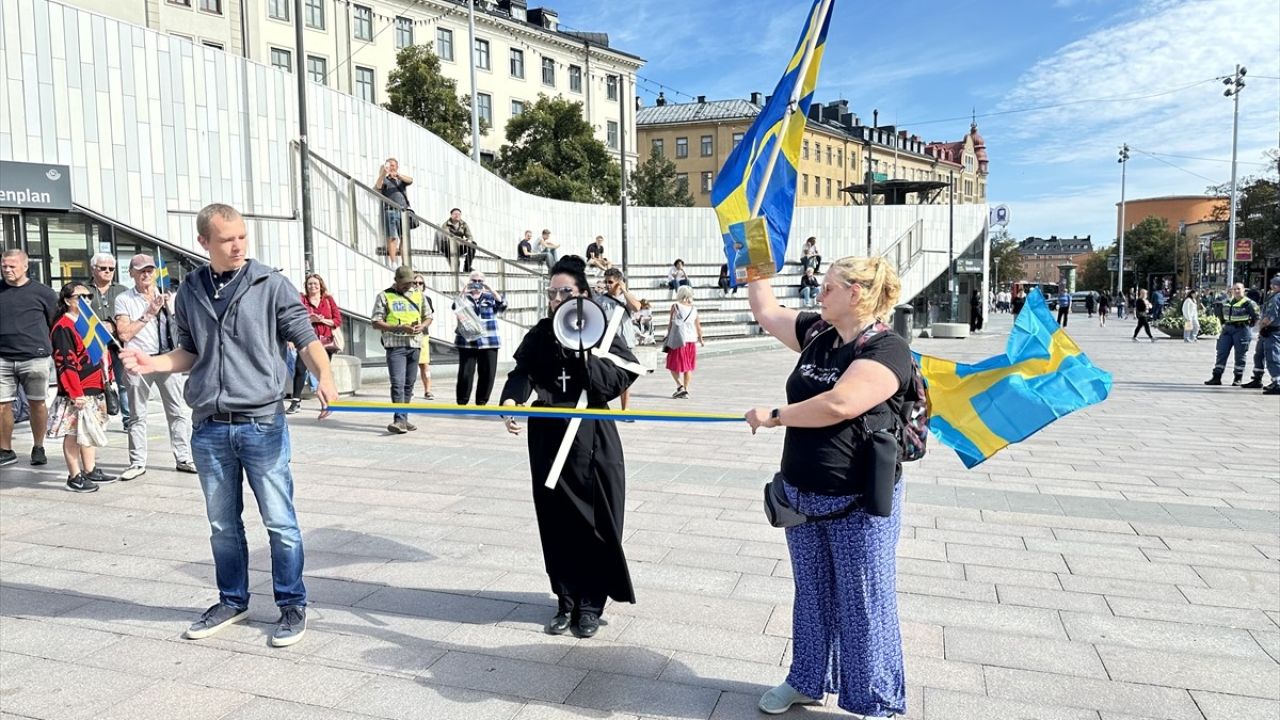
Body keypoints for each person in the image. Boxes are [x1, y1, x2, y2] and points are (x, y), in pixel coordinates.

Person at [121, 203, 337, 648]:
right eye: (226, 239)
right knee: (222, 525)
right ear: (204, 242)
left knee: (280, 522)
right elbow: (189, 352)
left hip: (262, 424)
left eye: (241, 236)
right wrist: (152, 362)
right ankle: (232, 600)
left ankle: (292, 604)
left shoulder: (271, 285)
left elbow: (306, 339)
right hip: (210, 427)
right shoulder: (190, 292)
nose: (237, 245)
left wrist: (325, 377)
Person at [741, 256, 911, 717]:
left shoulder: (887, 349)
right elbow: (766, 311)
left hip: (857, 503)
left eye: (829, 287)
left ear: (856, 293)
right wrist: (753, 251)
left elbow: (841, 403)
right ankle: (806, 680)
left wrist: (775, 416)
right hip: (802, 495)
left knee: (863, 602)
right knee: (812, 593)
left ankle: (877, 702)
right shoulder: (818, 332)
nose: (819, 292)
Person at [499, 256, 641, 639]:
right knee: (555, 520)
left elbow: (617, 380)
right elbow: (522, 373)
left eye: (565, 292)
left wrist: (584, 355)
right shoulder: (542, 333)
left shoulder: (604, 331)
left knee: (593, 523)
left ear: (582, 294)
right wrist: (511, 401)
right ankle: (565, 601)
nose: (557, 299)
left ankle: (591, 606)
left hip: (591, 438)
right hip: (547, 438)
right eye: (552, 293)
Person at [114, 253, 196, 480]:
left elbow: (183, 327)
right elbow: (123, 333)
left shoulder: (168, 296)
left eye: (149, 270)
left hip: (167, 358)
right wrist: (149, 312)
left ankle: (183, 458)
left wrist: (169, 307)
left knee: (177, 411)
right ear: (131, 273)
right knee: (137, 414)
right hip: (139, 360)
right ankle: (138, 462)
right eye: (140, 270)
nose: (146, 274)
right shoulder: (125, 299)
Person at [47, 282, 114, 492]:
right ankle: (74, 475)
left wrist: (107, 377)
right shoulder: (63, 327)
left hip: (95, 386)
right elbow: (65, 363)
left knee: (90, 430)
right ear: (67, 301)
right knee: (74, 433)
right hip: (77, 390)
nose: (85, 301)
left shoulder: (88, 322)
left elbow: (103, 352)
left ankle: (90, 469)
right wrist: (75, 393)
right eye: (79, 297)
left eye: (88, 296)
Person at [0, 249, 58, 468]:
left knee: (37, 403)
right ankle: (5, 449)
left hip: (35, 358)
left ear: (25, 266)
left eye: (12, 266)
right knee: (2, 405)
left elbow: (55, 323)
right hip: (3, 358)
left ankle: (38, 446)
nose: (7, 270)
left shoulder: (43, 293)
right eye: (4, 265)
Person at [372, 266, 431, 433]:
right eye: (405, 283)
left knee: (409, 384)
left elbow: (429, 316)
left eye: (411, 283)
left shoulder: (418, 295)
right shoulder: (384, 296)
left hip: (415, 344)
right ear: (396, 281)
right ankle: (399, 420)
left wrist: (423, 326)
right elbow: (375, 321)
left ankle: (404, 418)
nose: (408, 286)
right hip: (395, 345)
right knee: (397, 383)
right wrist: (399, 328)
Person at [85, 252, 132, 427]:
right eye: (103, 268)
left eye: (111, 269)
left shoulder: (121, 291)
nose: (107, 271)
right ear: (93, 269)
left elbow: (130, 314)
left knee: (124, 383)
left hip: (118, 344)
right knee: (95, 384)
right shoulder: (84, 290)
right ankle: (96, 420)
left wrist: (112, 324)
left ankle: (128, 420)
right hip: (93, 344)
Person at [288, 273, 342, 414]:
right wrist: (310, 320)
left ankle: (327, 402)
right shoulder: (302, 300)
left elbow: (337, 321)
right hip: (306, 340)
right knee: (300, 369)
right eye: (310, 284)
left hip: (325, 341)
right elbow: (295, 318)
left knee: (323, 372)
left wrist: (322, 320)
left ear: (320, 286)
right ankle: (296, 401)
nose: (312, 286)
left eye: (315, 284)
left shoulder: (328, 300)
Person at [455, 271, 507, 405]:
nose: (476, 284)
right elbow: (455, 307)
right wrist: (464, 290)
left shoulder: (490, 297)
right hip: (468, 340)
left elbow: (502, 305)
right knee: (465, 373)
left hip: (489, 340)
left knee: (488, 373)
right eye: (474, 280)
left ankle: (482, 401)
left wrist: (489, 288)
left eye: (479, 281)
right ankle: (462, 400)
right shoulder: (464, 297)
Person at [603, 268, 641, 413]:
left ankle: (625, 409)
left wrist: (624, 290)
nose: (607, 285)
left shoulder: (627, 298)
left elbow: (637, 307)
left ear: (619, 282)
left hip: (625, 342)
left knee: (625, 375)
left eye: (611, 282)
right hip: (608, 343)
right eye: (606, 281)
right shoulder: (601, 299)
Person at [1205, 283, 1259, 386]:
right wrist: (1223, 325)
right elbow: (1220, 315)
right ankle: (1216, 376)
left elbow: (1257, 317)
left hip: (1242, 330)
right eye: (1234, 289)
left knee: (1240, 354)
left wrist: (1252, 329)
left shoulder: (1249, 303)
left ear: (1243, 290)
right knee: (1221, 352)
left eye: (1238, 289)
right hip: (1227, 330)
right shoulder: (1227, 302)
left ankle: (1238, 377)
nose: (1236, 291)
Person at [1241, 275, 1280, 391]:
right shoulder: (1272, 296)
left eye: (1274, 284)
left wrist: (1260, 327)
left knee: (1272, 356)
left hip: (1272, 332)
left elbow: (1270, 317)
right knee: (1259, 355)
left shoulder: (1276, 298)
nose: (1272, 286)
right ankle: (1257, 378)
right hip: (1267, 332)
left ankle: (1277, 382)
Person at [665, 285, 704, 399]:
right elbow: (698, 325)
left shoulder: (676, 306)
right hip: (691, 340)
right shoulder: (694, 308)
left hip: (679, 340)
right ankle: (686, 389)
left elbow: (671, 323)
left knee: (672, 364)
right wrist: (701, 338)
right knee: (688, 366)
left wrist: (668, 335)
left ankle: (680, 386)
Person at [375, 158, 413, 265]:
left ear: (397, 166)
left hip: (404, 211)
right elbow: (378, 186)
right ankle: (393, 262)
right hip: (390, 210)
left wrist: (398, 175)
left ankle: (405, 263)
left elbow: (410, 180)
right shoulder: (385, 180)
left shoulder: (401, 180)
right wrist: (383, 174)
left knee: (404, 238)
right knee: (393, 237)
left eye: (393, 165)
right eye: (390, 165)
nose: (392, 167)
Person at [414, 274, 436, 400]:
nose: (417, 285)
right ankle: (408, 390)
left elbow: (428, 316)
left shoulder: (427, 299)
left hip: (423, 335)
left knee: (424, 364)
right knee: (409, 364)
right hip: (408, 334)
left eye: (420, 283)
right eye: (415, 283)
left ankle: (428, 390)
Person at [442, 208, 476, 273]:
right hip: (449, 247)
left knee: (473, 244)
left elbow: (470, 236)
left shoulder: (463, 224)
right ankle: (456, 269)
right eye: (455, 214)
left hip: (460, 246)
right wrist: (459, 241)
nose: (457, 215)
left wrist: (468, 241)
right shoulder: (446, 225)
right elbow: (447, 237)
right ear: (451, 215)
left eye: (459, 214)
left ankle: (467, 267)